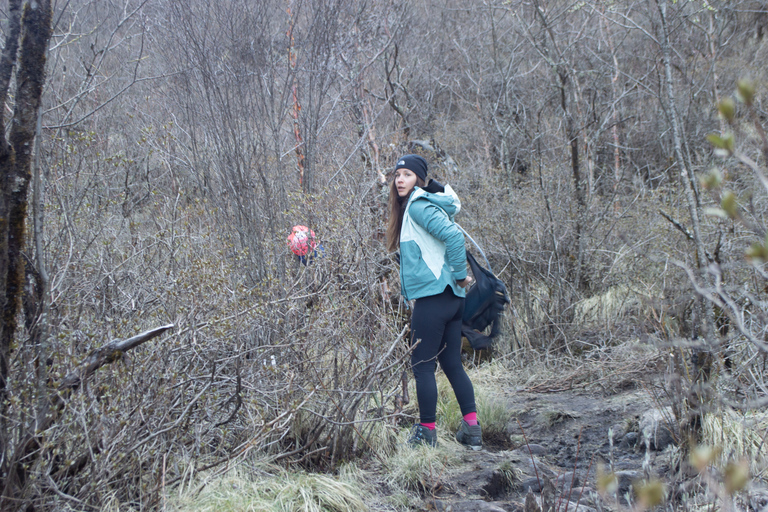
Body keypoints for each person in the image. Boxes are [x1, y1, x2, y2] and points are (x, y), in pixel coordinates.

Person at [385, 154, 482, 450]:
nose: (400, 180)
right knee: (452, 362)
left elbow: (453, 236)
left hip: (435, 295)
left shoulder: (417, 206)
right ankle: (472, 430)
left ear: (419, 180)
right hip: (451, 298)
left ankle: (426, 434)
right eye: (398, 174)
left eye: (407, 175)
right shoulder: (419, 206)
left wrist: (459, 273)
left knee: (422, 365)